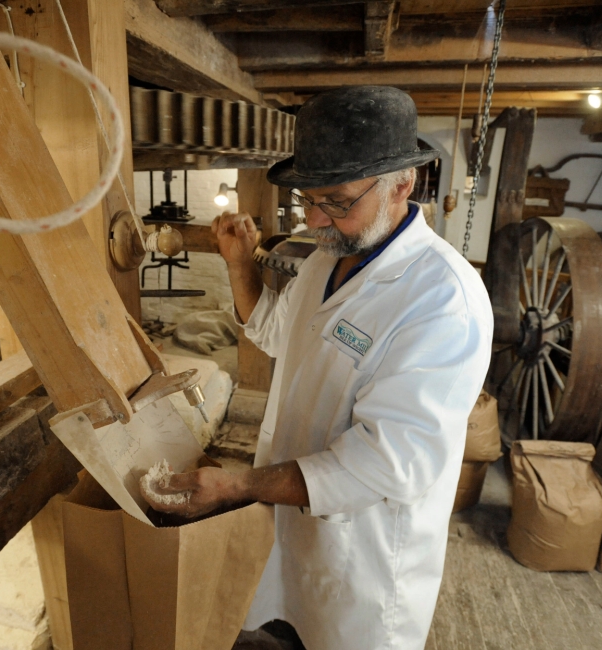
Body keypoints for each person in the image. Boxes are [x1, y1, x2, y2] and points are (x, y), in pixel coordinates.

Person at [142, 86, 494, 650]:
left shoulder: (442, 298)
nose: (313, 217)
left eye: (336, 200)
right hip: (295, 529)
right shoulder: (326, 259)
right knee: (285, 626)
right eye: (307, 199)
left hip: (363, 557)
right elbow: (280, 332)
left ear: (403, 183)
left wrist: (236, 486)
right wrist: (238, 264)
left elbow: (389, 462)